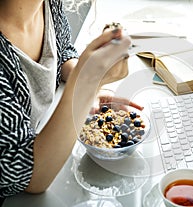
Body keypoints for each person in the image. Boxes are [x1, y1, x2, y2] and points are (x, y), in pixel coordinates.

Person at [0, 0, 139, 200]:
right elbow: (30, 177)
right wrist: (86, 83)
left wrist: (84, 74)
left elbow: (62, 50)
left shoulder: (46, 4)